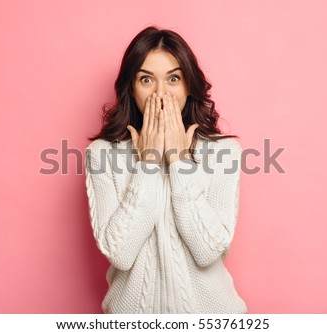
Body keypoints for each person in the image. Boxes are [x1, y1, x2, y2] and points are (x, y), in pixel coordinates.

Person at [85, 26, 247, 314]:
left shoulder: (224, 152)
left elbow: (207, 250)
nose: (161, 93)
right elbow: (120, 253)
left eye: (173, 78)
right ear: (130, 87)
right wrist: (147, 164)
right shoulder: (102, 155)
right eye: (146, 79)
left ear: (188, 86)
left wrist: (179, 161)